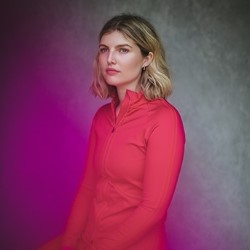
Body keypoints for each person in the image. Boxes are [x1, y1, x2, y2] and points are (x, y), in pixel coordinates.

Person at [61, 14, 185, 250]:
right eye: (104, 49)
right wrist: (68, 245)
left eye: (123, 50)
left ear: (147, 58)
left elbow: (152, 210)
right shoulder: (101, 118)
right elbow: (88, 189)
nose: (110, 59)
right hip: (88, 240)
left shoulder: (164, 119)